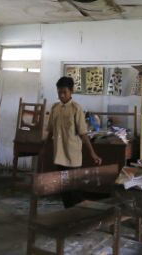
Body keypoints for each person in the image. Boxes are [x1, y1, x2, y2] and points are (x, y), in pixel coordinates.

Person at [45, 76, 102, 207]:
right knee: (64, 190)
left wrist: (93, 154)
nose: (61, 95)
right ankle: (69, 216)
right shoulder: (55, 108)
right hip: (59, 156)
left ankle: (79, 216)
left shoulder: (76, 109)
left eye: (64, 92)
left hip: (72, 157)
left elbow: (83, 134)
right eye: (59, 92)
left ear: (71, 91)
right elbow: (50, 131)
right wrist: (44, 149)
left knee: (73, 190)